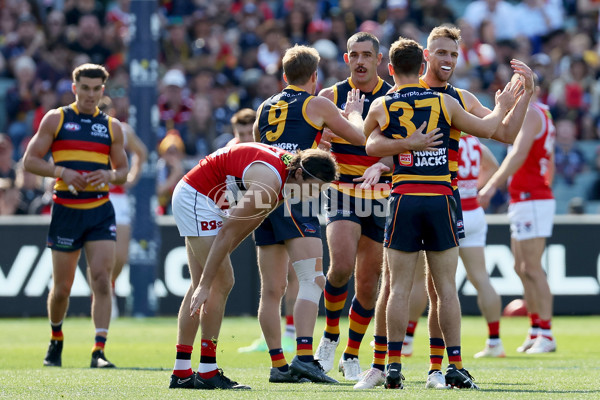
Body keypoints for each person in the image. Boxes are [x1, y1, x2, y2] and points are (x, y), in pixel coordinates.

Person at [355, 25, 534, 390]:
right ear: (426, 56)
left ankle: (427, 368)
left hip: (414, 197)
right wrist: (392, 154)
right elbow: (488, 127)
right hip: (435, 196)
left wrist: (525, 96)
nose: (448, 60)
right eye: (441, 53)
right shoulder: (442, 101)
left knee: (427, 289)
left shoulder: (445, 96)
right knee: (399, 286)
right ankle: (385, 365)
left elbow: (504, 133)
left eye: (453, 54)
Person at [168, 142, 338, 390]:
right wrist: (207, 283)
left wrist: (208, 277)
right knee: (219, 283)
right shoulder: (270, 185)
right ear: (301, 174)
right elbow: (227, 233)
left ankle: (182, 371)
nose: (314, 196)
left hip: (202, 197)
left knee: (206, 283)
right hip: (199, 198)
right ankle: (207, 371)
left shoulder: (288, 176)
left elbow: (246, 226)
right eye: (314, 188)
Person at [252, 44, 367, 384]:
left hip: (264, 198)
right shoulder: (317, 103)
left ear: (284, 76)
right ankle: (304, 356)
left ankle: (278, 365)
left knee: (270, 289)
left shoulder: (265, 106)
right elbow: (360, 137)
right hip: (296, 196)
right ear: (314, 77)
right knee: (312, 280)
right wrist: (354, 111)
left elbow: (271, 145)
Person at [22, 63, 129, 368]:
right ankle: (56, 338)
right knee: (62, 289)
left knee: (101, 280)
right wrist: (61, 171)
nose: (90, 95)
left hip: (99, 212)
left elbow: (122, 171)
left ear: (102, 90)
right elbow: (30, 160)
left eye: (96, 89)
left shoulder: (111, 126)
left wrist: (107, 176)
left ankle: (99, 350)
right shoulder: (57, 118)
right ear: (74, 87)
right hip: (66, 210)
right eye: (85, 88)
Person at [313, 32, 393, 382]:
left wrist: (385, 163)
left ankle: (351, 352)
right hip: (341, 189)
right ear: (346, 59)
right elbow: (312, 145)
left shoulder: (394, 97)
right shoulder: (329, 96)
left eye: (366, 55)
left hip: (379, 194)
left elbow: (401, 148)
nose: (360, 61)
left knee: (368, 281)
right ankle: (330, 336)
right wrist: (325, 140)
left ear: (378, 59)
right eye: (354, 55)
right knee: (341, 266)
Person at [478, 75, 557, 354]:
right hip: (527, 196)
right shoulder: (543, 113)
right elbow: (550, 161)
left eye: (516, 86)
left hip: (531, 197)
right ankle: (536, 329)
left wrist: (489, 187)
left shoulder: (532, 114)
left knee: (532, 268)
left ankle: (546, 333)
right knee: (521, 267)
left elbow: (518, 155)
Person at [98, 96, 148, 318]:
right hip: (95, 194)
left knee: (122, 255)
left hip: (117, 197)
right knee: (99, 251)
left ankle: (109, 286)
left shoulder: (122, 130)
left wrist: (132, 177)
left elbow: (142, 152)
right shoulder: (84, 130)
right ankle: (101, 294)